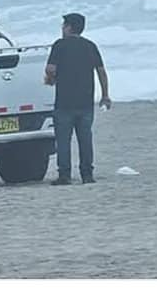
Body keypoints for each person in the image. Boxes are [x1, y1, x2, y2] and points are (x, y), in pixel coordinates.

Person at [45, 12, 111, 185]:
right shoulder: (90, 46)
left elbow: (51, 69)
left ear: (69, 27)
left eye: (63, 25)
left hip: (64, 102)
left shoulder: (59, 45)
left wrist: (51, 80)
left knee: (63, 140)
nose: (62, 28)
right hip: (85, 101)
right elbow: (101, 71)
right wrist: (105, 95)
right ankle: (87, 174)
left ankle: (65, 175)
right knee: (85, 139)